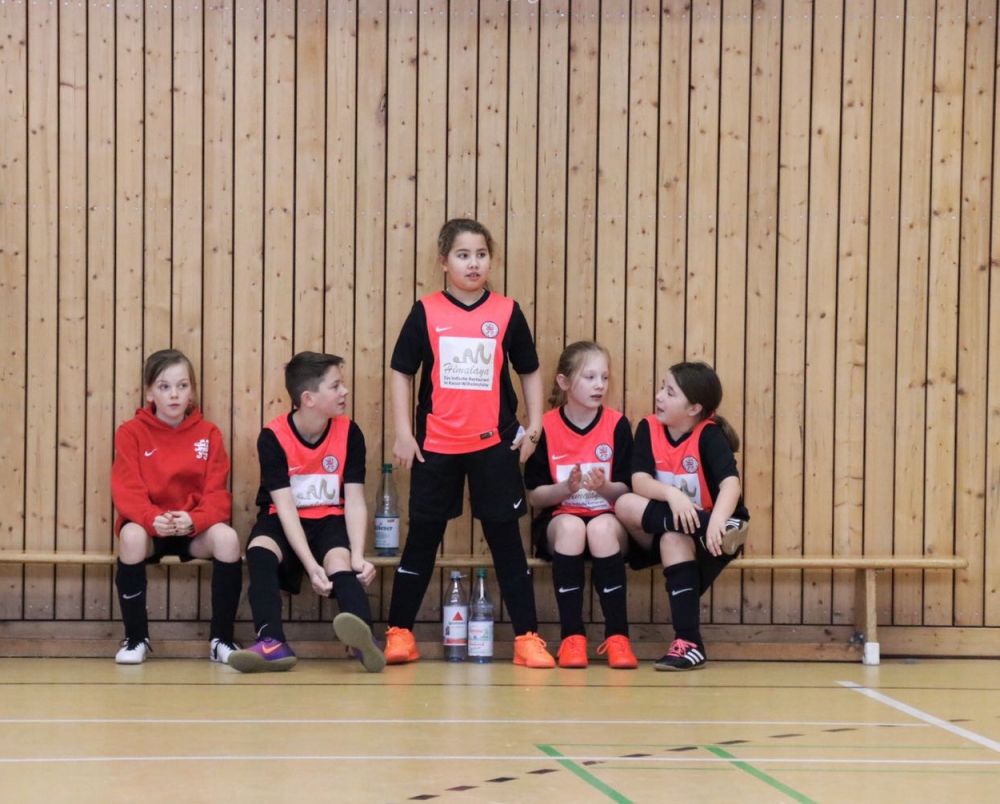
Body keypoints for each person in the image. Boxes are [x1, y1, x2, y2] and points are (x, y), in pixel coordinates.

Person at [384, 218, 554, 668]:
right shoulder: (425, 311)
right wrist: (404, 433)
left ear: (490, 261)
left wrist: (535, 426)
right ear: (444, 262)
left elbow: (529, 369)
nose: (473, 263)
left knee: (506, 542)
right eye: (463, 255)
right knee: (422, 539)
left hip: (493, 447)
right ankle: (399, 634)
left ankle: (527, 639)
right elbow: (402, 371)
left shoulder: (507, 311)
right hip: (435, 447)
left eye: (481, 254)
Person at [228, 352, 385, 674]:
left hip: (329, 519)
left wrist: (358, 555)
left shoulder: (350, 433)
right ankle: (271, 643)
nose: (344, 391)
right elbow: (285, 507)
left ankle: (363, 642)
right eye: (335, 386)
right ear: (308, 399)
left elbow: (355, 500)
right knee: (259, 551)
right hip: (283, 519)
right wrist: (311, 567)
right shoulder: (273, 436)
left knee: (341, 563)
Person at [615, 361, 750, 671]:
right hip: (666, 525)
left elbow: (731, 484)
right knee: (624, 504)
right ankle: (709, 526)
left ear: (694, 408)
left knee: (672, 540)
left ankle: (689, 644)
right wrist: (672, 495)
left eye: (670, 392)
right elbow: (639, 481)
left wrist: (717, 521)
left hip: (712, 537)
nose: (659, 395)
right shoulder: (649, 427)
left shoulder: (709, 435)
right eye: (662, 387)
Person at [111, 349, 243, 665]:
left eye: (182, 386)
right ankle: (136, 639)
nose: (174, 395)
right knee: (130, 537)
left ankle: (221, 640)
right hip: (150, 529)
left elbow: (217, 495)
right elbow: (126, 491)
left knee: (228, 539)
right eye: (164, 386)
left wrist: (194, 520)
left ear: (191, 391)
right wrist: (151, 518)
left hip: (192, 529)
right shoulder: (130, 433)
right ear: (149, 392)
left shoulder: (208, 433)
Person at [524, 341, 638, 669]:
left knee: (600, 528)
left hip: (608, 520)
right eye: (589, 377)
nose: (599, 385)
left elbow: (626, 490)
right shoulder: (545, 426)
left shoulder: (617, 424)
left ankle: (618, 638)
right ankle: (572, 638)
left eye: (604, 377)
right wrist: (565, 489)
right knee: (573, 527)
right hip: (561, 521)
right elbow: (535, 497)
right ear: (563, 382)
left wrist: (605, 488)